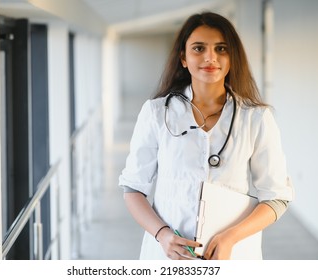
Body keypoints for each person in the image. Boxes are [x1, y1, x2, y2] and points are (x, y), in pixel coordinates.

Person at [118, 11, 294, 260]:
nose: (210, 57)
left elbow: (276, 197)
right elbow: (133, 188)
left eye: (221, 48)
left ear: (232, 57)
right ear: (183, 58)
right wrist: (163, 235)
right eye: (199, 48)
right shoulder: (157, 113)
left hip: (233, 255)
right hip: (167, 255)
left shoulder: (256, 118)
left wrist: (230, 237)